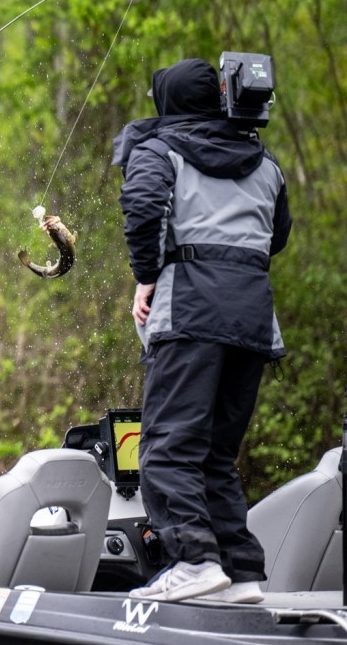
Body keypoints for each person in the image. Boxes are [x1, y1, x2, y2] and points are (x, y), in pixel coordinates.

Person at [111, 58, 292, 602]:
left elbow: (142, 207)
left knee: (167, 448)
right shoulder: (267, 163)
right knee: (214, 454)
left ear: (168, 102)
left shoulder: (158, 151)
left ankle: (193, 561)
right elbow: (277, 236)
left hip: (190, 314)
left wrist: (147, 275)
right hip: (253, 320)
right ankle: (239, 571)